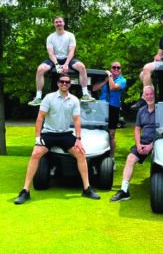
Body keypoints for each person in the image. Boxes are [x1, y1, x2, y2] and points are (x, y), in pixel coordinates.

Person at [15, 74, 100, 204]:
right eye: (62, 82)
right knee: (35, 153)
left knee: (80, 153)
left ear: (70, 84)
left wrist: (78, 139)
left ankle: (87, 188)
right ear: (58, 83)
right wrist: (38, 138)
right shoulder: (49, 98)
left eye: (67, 82)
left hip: (65, 134)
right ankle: (25, 190)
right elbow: (40, 118)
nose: (64, 84)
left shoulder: (74, 100)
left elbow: (77, 120)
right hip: (49, 133)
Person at [28, 16, 95, 106]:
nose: (58, 23)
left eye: (60, 21)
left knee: (82, 67)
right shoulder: (50, 37)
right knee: (40, 69)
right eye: (56, 22)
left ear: (63, 23)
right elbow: (51, 53)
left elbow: (72, 51)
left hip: (68, 59)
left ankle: (85, 94)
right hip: (54, 59)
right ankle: (38, 97)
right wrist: (56, 64)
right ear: (54, 24)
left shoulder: (70, 35)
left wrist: (66, 64)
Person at [110, 85, 155, 202]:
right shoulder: (141, 111)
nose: (149, 97)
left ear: (154, 95)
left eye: (151, 94)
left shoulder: (161, 110)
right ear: (143, 97)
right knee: (130, 158)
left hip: (158, 142)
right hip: (144, 141)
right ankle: (124, 191)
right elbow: (137, 129)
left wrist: (152, 145)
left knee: (159, 161)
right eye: (147, 95)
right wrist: (138, 144)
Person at [92, 62, 126, 168]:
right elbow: (94, 88)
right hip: (101, 107)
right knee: (98, 131)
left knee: (111, 134)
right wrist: (105, 80)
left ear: (120, 70)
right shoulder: (104, 78)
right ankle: (97, 156)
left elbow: (113, 87)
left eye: (118, 67)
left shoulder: (122, 80)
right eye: (114, 67)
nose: (116, 69)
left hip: (113, 107)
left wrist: (110, 76)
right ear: (111, 68)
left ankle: (111, 157)